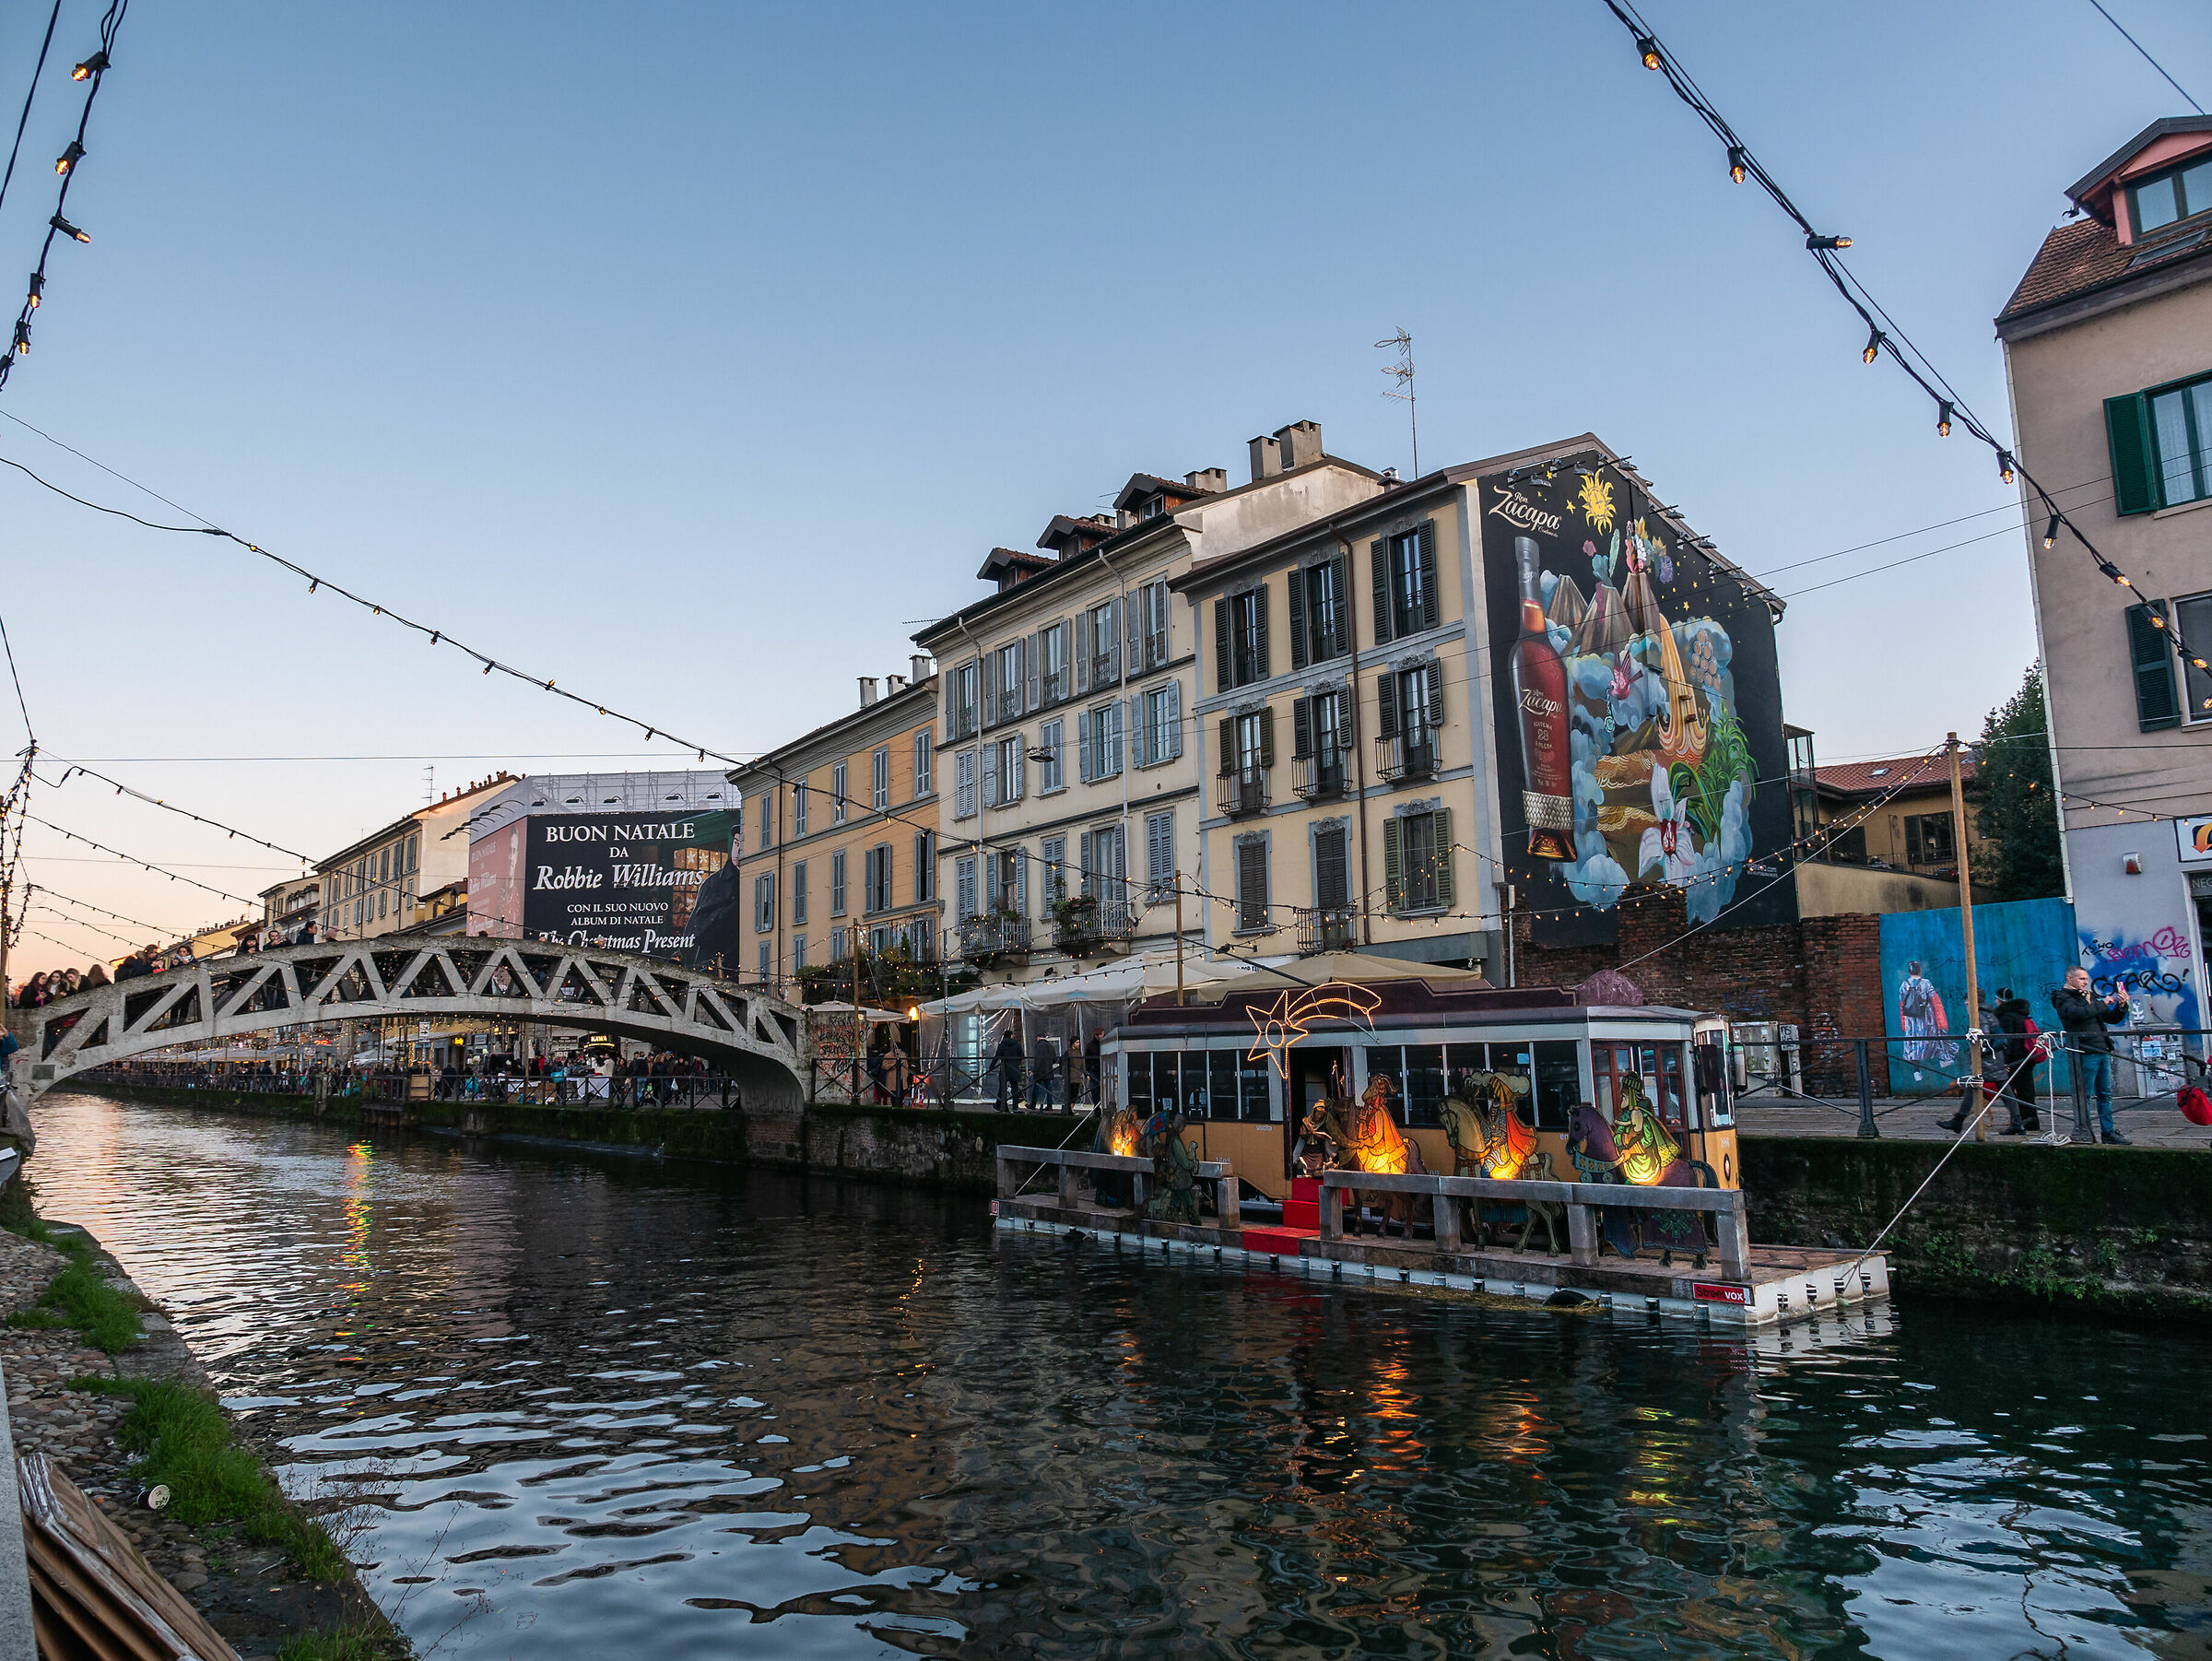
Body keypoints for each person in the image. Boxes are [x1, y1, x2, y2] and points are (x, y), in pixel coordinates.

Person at [2051, 967, 2133, 1145]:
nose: (2085, 982)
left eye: (2086, 979)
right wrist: (2102, 1003)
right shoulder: (2062, 997)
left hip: (2101, 1048)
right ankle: (2084, 1130)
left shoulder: (2088, 995)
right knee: (2084, 1095)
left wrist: (2121, 1007)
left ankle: (2108, 1132)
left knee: (2105, 1094)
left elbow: (2109, 1018)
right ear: (2069, 977)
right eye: (2081, 979)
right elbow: (2078, 1014)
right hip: (2084, 1050)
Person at [1989, 987, 2041, 1136]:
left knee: (2007, 1090)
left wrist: (2004, 1062)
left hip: (2014, 1059)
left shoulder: (2005, 1016)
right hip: (2027, 1057)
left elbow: (2007, 1041)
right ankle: (2031, 1122)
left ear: (1998, 1000)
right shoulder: (2021, 1013)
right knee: (2027, 1091)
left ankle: (2017, 1122)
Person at [991, 1025, 1024, 1113]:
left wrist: (991, 1067)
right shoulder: (1017, 1044)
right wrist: (1016, 1061)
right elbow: (1022, 1056)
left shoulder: (1001, 1045)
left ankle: (1003, 1106)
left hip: (1005, 1069)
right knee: (1015, 1089)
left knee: (1003, 1089)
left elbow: (997, 1056)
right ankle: (1015, 1107)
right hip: (1015, 1069)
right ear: (1011, 1035)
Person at [1028, 1031, 1056, 1111]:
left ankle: (1033, 1104)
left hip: (1040, 1071)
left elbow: (1038, 1060)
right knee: (1049, 1089)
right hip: (1049, 1070)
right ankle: (1050, 1105)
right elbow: (1055, 1059)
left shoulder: (1039, 1046)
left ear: (1038, 1038)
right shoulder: (1051, 1046)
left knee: (1036, 1087)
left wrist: (1034, 1070)